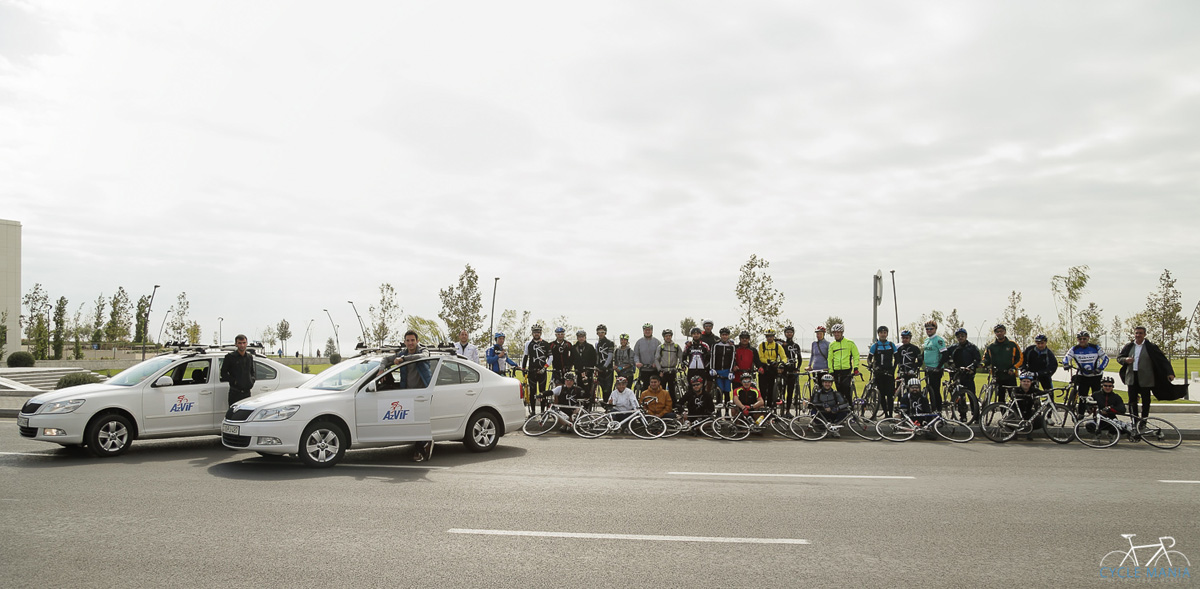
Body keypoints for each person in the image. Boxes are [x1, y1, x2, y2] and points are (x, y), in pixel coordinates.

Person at [1117, 326, 1176, 419]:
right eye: (1136, 333)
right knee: (1132, 400)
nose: (1138, 335)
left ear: (1144, 334)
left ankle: (1144, 420)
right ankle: (1134, 420)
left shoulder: (1151, 347)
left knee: (1146, 400)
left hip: (1146, 378)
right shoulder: (1129, 346)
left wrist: (1170, 373)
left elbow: (1162, 360)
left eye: (1140, 333)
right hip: (1132, 377)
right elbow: (1119, 358)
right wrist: (1125, 360)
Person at [1062, 330, 1108, 416]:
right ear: (1077, 339)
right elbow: (1066, 357)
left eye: (1084, 339)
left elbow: (1106, 358)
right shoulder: (1074, 349)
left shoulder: (1095, 347)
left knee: (1097, 397)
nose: (1082, 340)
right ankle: (1080, 415)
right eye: (1080, 339)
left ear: (1088, 338)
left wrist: (1100, 369)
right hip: (1083, 376)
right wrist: (1065, 364)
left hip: (1096, 376)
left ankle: (1097, 416)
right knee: (1082, 397)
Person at [944, 328, 982, 423]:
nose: (960, 338)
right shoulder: (953, 347)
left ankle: (976, 416)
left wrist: (972, 367)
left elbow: (977, 359)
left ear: (966, 336)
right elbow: (945, 355)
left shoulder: (972, 347)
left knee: (972, 396)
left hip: (968, 375)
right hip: (957, 375)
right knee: (960, 396)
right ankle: (963, 416)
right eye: (958, 336)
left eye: (962, 336)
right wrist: (950, 363)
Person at [983, 324, 1023, 405]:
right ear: (995, 333)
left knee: (1014, 397)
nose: (999, 333)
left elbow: (1020, 358)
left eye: (1001, 331)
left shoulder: (1012, 345)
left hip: (1010, 375)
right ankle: (1002, 412)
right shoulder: (991, 347)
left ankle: (1015, 412)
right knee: (1000, 398)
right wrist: (983, 364)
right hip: (998, 375)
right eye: (997, 332)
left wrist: (1014, 368)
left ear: (1005, 332)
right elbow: (986, 359)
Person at [867, 326, 898, 418]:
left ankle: (890, 414)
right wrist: (871, 365)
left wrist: (893, 369)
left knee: (890, 395)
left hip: (889, 373)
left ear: (887, 334)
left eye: (885, 333)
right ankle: (886, 414)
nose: (883, 334)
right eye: (881, 333)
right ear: (878, 334)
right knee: (882, 395)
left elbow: (897, 358)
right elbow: (869, 358)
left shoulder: (891, 345)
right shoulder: (875, 346)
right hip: (879, 373)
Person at [522, 325, 552, 415]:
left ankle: (542, 411)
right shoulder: (528, 344)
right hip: (532, 371)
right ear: (532, 333)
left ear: (541, 333)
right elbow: (525, 356)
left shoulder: (546, 344)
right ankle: (533, 411)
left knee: (543, 392)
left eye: (538, 332)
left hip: (542, 371)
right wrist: (523, 368)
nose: (536, 334)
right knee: (532, 392)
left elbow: (551, 357)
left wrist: (545, 367)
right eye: (535, 332)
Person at [220, 334, 256, 406]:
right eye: (239, 343)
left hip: (247, 393)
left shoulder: (249, 357)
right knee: (235, 412)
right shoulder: (230, 357)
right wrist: (234, 381)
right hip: (235, 393)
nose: (242, 345)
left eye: (244, 343)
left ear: (247, 343)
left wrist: (251, 381)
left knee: (246, 412)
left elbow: (252, 372)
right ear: (236, 344)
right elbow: (223, 373)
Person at [828, 324, 860, 402]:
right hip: (836, 371)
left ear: (842, 333)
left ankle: (850, 406)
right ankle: (842, 407)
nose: (836, 334)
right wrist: (831, 371)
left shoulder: (850, 343)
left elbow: (856, 356)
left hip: (846, 370)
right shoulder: (832, 345)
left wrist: (856, 368)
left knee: (846, 390)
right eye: (835, 333)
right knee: (839, 392)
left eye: (838, 332)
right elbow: (830, 359)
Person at [922, 321, 948, 414]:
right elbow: (924, 353)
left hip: (936, 369)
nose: (929, 330)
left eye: (931, 329)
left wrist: (939, 367)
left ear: (935, 329)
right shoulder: (926, 340)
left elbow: (945, 355)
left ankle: (939, 410)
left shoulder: (939, 340)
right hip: (928, 368)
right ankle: (932, 409)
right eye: (927, 329)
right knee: (930, 390)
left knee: (936, 391)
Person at [711, 328, 736, 414]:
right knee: (719, 392)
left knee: (727, 392)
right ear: (720, 335)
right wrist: (712, 368)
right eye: (723, 335)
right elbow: (713, 357)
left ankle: (727, 412)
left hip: (727, 372)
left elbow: (733, 359)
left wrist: (731, 371)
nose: (724, 336)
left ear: (728, 336)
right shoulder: (716, 345)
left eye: (726, 335)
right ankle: (718, 412)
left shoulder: (731, 346)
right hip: (718, 371)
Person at [781, 326, 804, 417]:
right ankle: (781, 410)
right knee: (782, 391)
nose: (789, 334)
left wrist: (797, 368)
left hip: (792, 371)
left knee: (790, 391)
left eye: (791, 332)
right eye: (787, 332)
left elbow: (799, 358)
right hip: (783, 370)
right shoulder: (782, 345)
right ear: (785, 333)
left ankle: (787, 411)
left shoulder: (796, 346)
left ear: (793, 333)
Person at [655, 329, 683, 402]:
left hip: (672, 371)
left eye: (669, 336)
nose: (668, 337)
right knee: (662, 390)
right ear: (664, 337)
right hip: (663, 371)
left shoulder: (676, 347)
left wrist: (682, 365)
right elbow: (656, 359)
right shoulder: (661, 347)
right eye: (666, 336)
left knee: (672, 390)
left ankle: (673, 405)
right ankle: (661, 404)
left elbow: (681, 357)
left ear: (671, 336)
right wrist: (659, 370)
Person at [572, 329, 598, 406]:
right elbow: (571, 359)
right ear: (577, 338)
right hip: (578, 371)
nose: (581, 338)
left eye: (582, 337)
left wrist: (590, 368)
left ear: (585, 337)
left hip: (588, 371)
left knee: (588, 388)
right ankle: (579, 404)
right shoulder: (574, 347)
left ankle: (588, 404)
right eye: (579, 337)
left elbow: (594, 359)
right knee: (578, 388)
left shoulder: (590, 347)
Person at [633, 323, 661, 392]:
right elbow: (636, 354)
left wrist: (656, 363)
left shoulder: (657, 342)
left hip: (654, 369)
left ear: (652, 331)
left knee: (655, 387)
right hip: (643, 369)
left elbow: (660, 354)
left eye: (649, 330)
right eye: (646, 330)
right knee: (644, 388)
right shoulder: (639, 342)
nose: (647, 331)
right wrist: (637, 362)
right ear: (643, 331)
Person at [682, 327, 711, 394]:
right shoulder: (688, 346)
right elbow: (683, 358)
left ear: (700, 335)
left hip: (702, 370)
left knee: (702, 388)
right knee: (690, 388)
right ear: (692, 335)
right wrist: (687, 365)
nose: (696, 335)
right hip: (691, 370)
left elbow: (709, 358)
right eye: (694, 334)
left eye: (697, 334)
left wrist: (706, 366)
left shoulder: (705, 345)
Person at [595, 324, 615, 402]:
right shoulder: (597, 344)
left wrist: (605, 366)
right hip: (600, 369)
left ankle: (608, 405)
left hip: (608, 370)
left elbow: (610, 356)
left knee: (607, 390)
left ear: (605, 333)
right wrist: (596, 365)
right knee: (602, 388)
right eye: (599, 332)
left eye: (602, 332)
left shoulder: (610, 343)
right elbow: (597, 355)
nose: (601, 334)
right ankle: (604, 404)